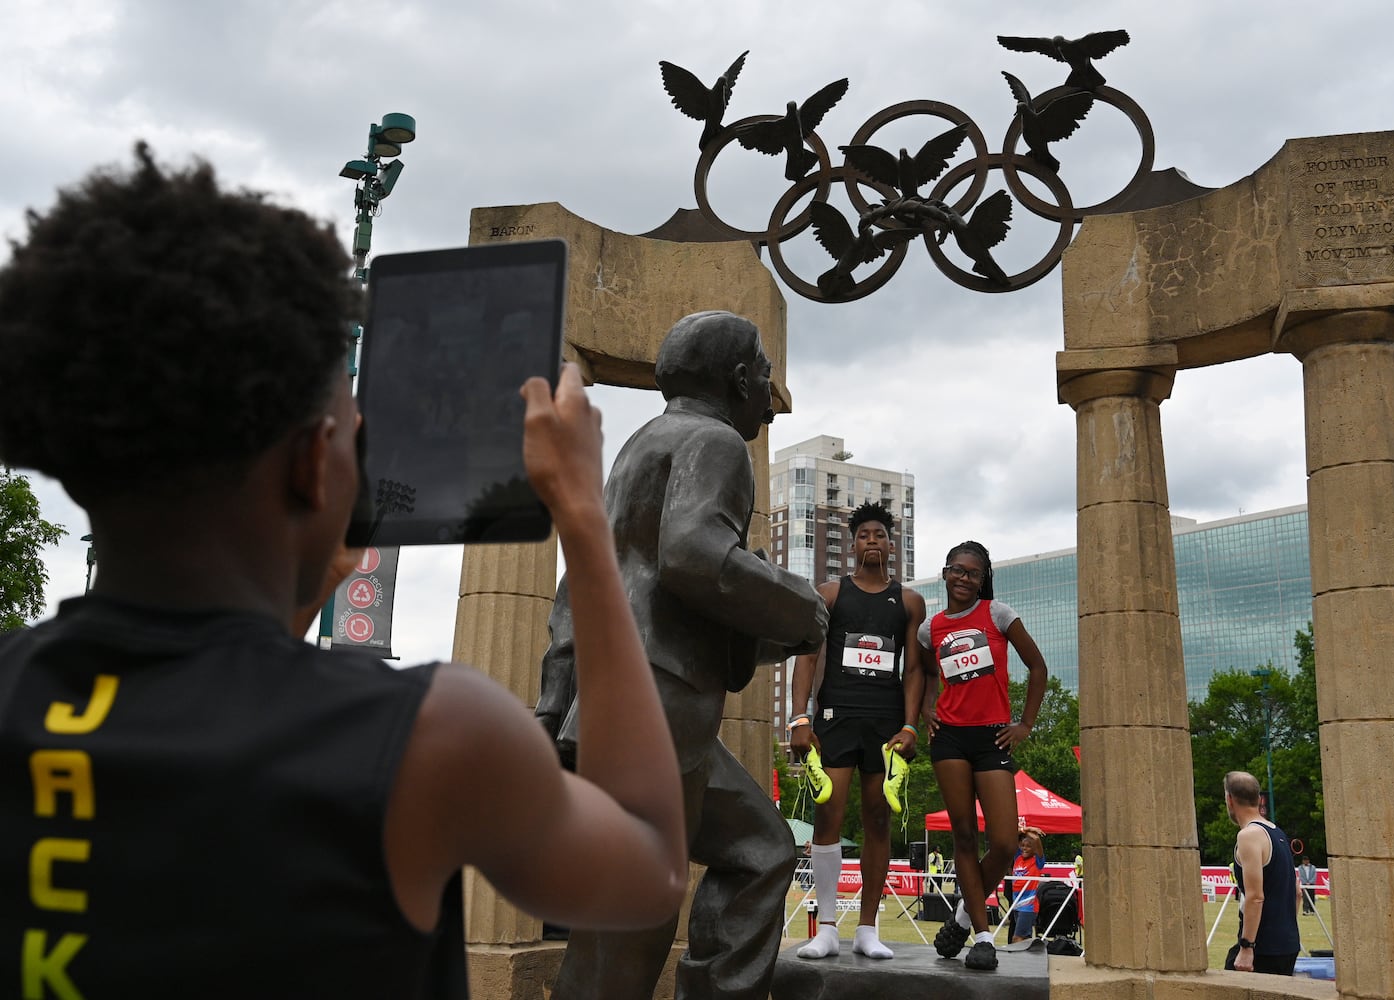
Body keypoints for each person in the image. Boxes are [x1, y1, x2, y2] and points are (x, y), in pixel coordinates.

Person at [0, 145, 690, 998]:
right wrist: (588, 523)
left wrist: (289, 593)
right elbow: (649, 863)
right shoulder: (428, 739)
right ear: (311, 466)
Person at [535, 310, 829, 1000]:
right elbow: (693, 556)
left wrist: (553, 706)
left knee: (761, 851)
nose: (768, 386)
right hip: (653, 701)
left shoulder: (642, 445)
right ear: (737, 378)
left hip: (631, 699)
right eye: (762, 371)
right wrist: (800, 604)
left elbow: (580, 583)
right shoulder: (714, 441)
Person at [788, 501, 928, 962]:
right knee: (827, 814)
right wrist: (800, 717)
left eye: (879, 535)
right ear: (853, 545)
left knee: (879, 819)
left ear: (891, 544)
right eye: (863, 534)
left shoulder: (908, 601)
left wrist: (910, 725)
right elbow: (807, 656)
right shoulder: (829, 593)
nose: (872, 540)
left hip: (885, 722)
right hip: (836, 717)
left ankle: (868, 928)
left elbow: (913, 671)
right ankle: (826, 928)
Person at [921, 540, 1048, 971]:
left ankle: (960, 915)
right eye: (956, 569)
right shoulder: (931, 627)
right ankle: (980, 935)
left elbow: (1038, 667)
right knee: (962, 837)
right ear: (945, 572)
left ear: (983, 580)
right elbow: (921, 672)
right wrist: (924, 707)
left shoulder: (998, 614)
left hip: (993, 739)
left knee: (1005, 842)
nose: (963, 578)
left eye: (972, 573)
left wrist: (1025, 724)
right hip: (950, 740)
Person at [1223, 771, 1300, 976]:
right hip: (1287, 944)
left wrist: (1247, 947)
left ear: (1229, 799)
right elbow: (1297, 891)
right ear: (1259, 799)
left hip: (1262, 948)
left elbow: (1255, 897)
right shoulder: (1276, 832)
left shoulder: (1249, 836)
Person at [1007, 827, 1046, 942]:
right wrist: (1027, 829)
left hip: (1028, 906)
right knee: (1025, 939)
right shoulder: (1018, 857)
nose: (1025, 848)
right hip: (1017, 903)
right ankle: (1029, 959)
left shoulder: (1037, 861)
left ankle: (1017, 960)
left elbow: (1036, 839)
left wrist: (1030, 832)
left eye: (1029, 846)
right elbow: (1013, 835)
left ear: (1034, 849)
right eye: (1023, 846)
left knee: (1017, 938)